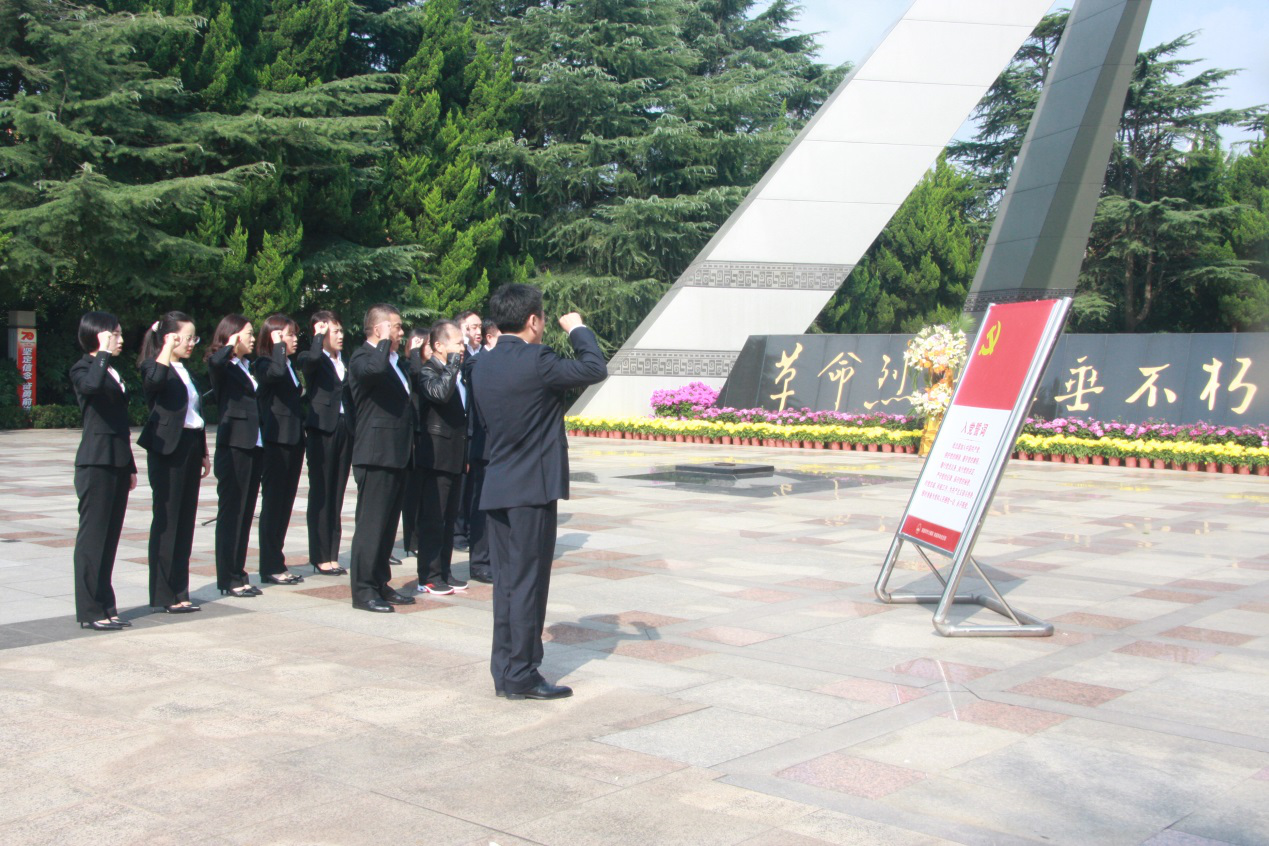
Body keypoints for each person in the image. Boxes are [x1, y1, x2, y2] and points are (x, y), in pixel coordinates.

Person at [469, 284, 606, 700]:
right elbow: (594, 368)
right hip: (531, 488)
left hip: (498, 483)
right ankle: (522, 673)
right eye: (543, 318)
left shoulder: (482, 364)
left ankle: (505, 669)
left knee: (507, 584)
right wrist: (577, 329)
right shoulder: (538, 360)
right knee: (528, 583)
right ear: (533, 320)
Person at [137, 311, 210, 614]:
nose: (192, 343)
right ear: (170, 337)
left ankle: (180, 589)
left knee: (185, 520)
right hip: (168, 450)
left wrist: (203, 451)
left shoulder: (184, 370)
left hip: (190, 445)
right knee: (168, 520)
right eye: (187, 337)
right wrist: (165, 347)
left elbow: (195, 414)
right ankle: (164, 592)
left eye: (194, 338)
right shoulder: (154, 365)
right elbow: (153, 383)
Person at [346, 304, 416, 613]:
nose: (401, 332)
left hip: (396, 453)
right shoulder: (363, 357)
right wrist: (384, 342)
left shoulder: (394, 361)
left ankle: (379, 582)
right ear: (379, 329)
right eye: (396, 327)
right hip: (375, 453)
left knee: (387, 526)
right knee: (371, 526)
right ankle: (363, 591)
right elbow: (372, 373)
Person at [70, 312, 137, 630]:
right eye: (115, 334)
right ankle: (90, 610)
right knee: (93, 539)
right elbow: (91, 387)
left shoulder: (110, 370)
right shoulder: (84, 367)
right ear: (98, 335)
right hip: (95, 462)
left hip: (117, 461)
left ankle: (106, 605)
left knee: (109, 538)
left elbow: (120, 424)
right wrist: (103, 353)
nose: (121, 339)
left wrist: (130, 465)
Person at [206, 314, 264, 598]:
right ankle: (228, 578)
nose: (253, 339)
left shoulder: (245, 366)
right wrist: (230, 344)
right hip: (234, 446)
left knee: (245, 512)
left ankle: (239, 573)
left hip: (253, 444)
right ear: (234, 335)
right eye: (248, 334)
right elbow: (215, 362)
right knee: (232, 513)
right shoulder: (223, 365)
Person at [410, 320, 467, 595]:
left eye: (463, 343)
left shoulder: (453, 371)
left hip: (454, 454)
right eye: (458, 343)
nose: (462, 348)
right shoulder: (428, 371)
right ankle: (429, 576)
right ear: (439, 346)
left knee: (449, 518)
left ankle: (444, 571)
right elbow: (440, 395)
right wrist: (453, 366)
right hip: (435, 457)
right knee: (434, 518)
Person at [298, 311, 352, 576]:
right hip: (322, 429)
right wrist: (318, 337)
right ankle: (320, 555)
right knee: (322, 491)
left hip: (344, 427)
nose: (340, 336)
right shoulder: (312, 357)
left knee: (337, 492)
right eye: (335, 331)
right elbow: (309, 363)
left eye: (341, 331)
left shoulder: (344, 361)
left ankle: (332, 553)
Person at [254, 314, 306, 586]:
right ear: (274, 336)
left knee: (285, 504)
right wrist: (277, 346)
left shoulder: (287, 364)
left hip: (293, 440)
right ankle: (270, 565)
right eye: (290, 334)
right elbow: (273, 375)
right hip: (275, 441)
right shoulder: (264, 363)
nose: (295, 339)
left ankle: (277, 560)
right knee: (274, 504)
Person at [400, 326, 431, 561]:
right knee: (412, 492)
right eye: (426, 344)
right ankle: (412, 539)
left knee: (424, 492)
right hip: (413, 433)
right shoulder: (407, 366)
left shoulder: (432, 368)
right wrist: (415, 354)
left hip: (427, 432)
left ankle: (422, 535)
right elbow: (416, 377)